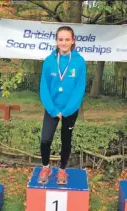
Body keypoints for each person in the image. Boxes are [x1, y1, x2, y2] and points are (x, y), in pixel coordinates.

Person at [38, 26, 86, 185]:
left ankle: (62, 170)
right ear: (56, 41)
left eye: (67, 39)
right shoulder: (49, 61)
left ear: (73, 41)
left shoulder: (79, 62)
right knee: (45, 140)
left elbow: (79, 88)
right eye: (60, 39)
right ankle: (46, 167)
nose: (64, 43)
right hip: (52, 108)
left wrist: (66, 110)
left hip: (70, 110)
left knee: (66, 140)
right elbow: (44, 87)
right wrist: (52, 109)